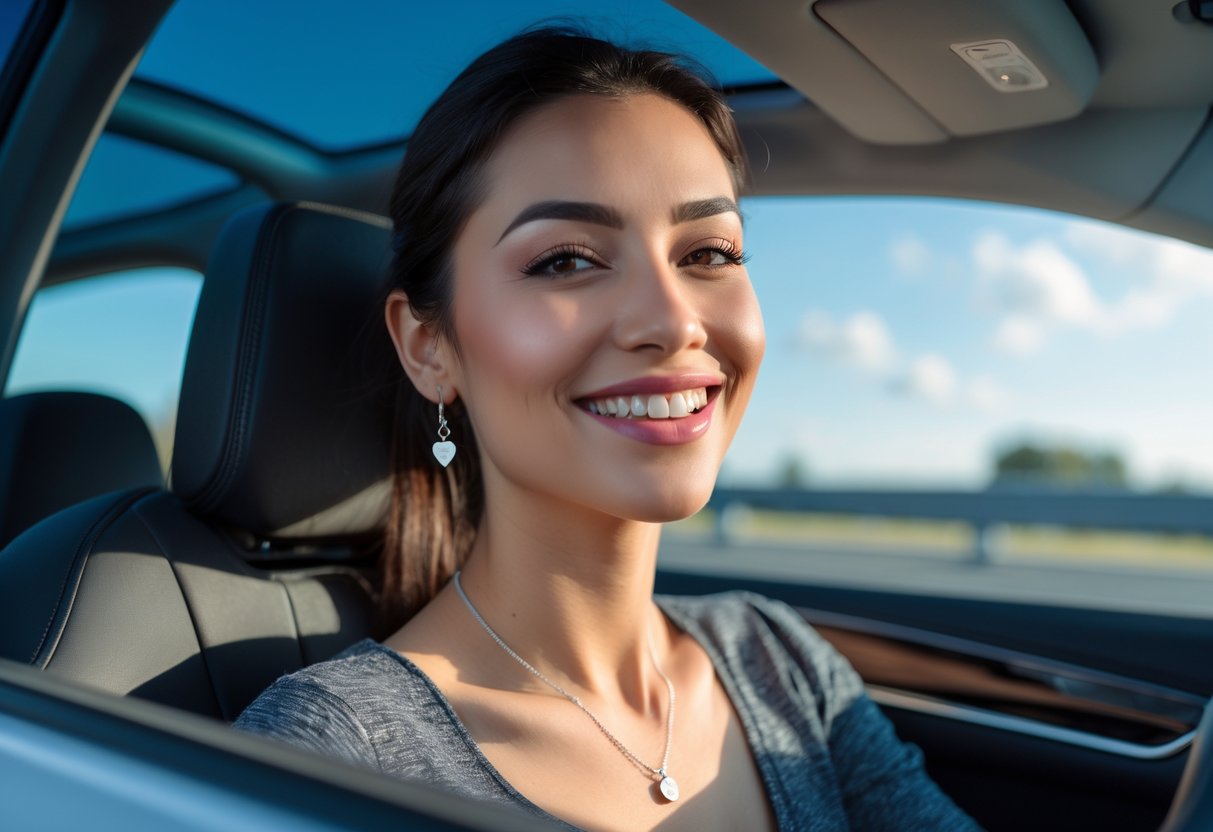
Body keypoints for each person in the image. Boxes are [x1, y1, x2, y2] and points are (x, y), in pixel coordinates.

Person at [234, 26, 982, 832]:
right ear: (428, 346)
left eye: (707, 253)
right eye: (565, 260)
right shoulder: (333, 754)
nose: (671, 320)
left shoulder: (777, 660)